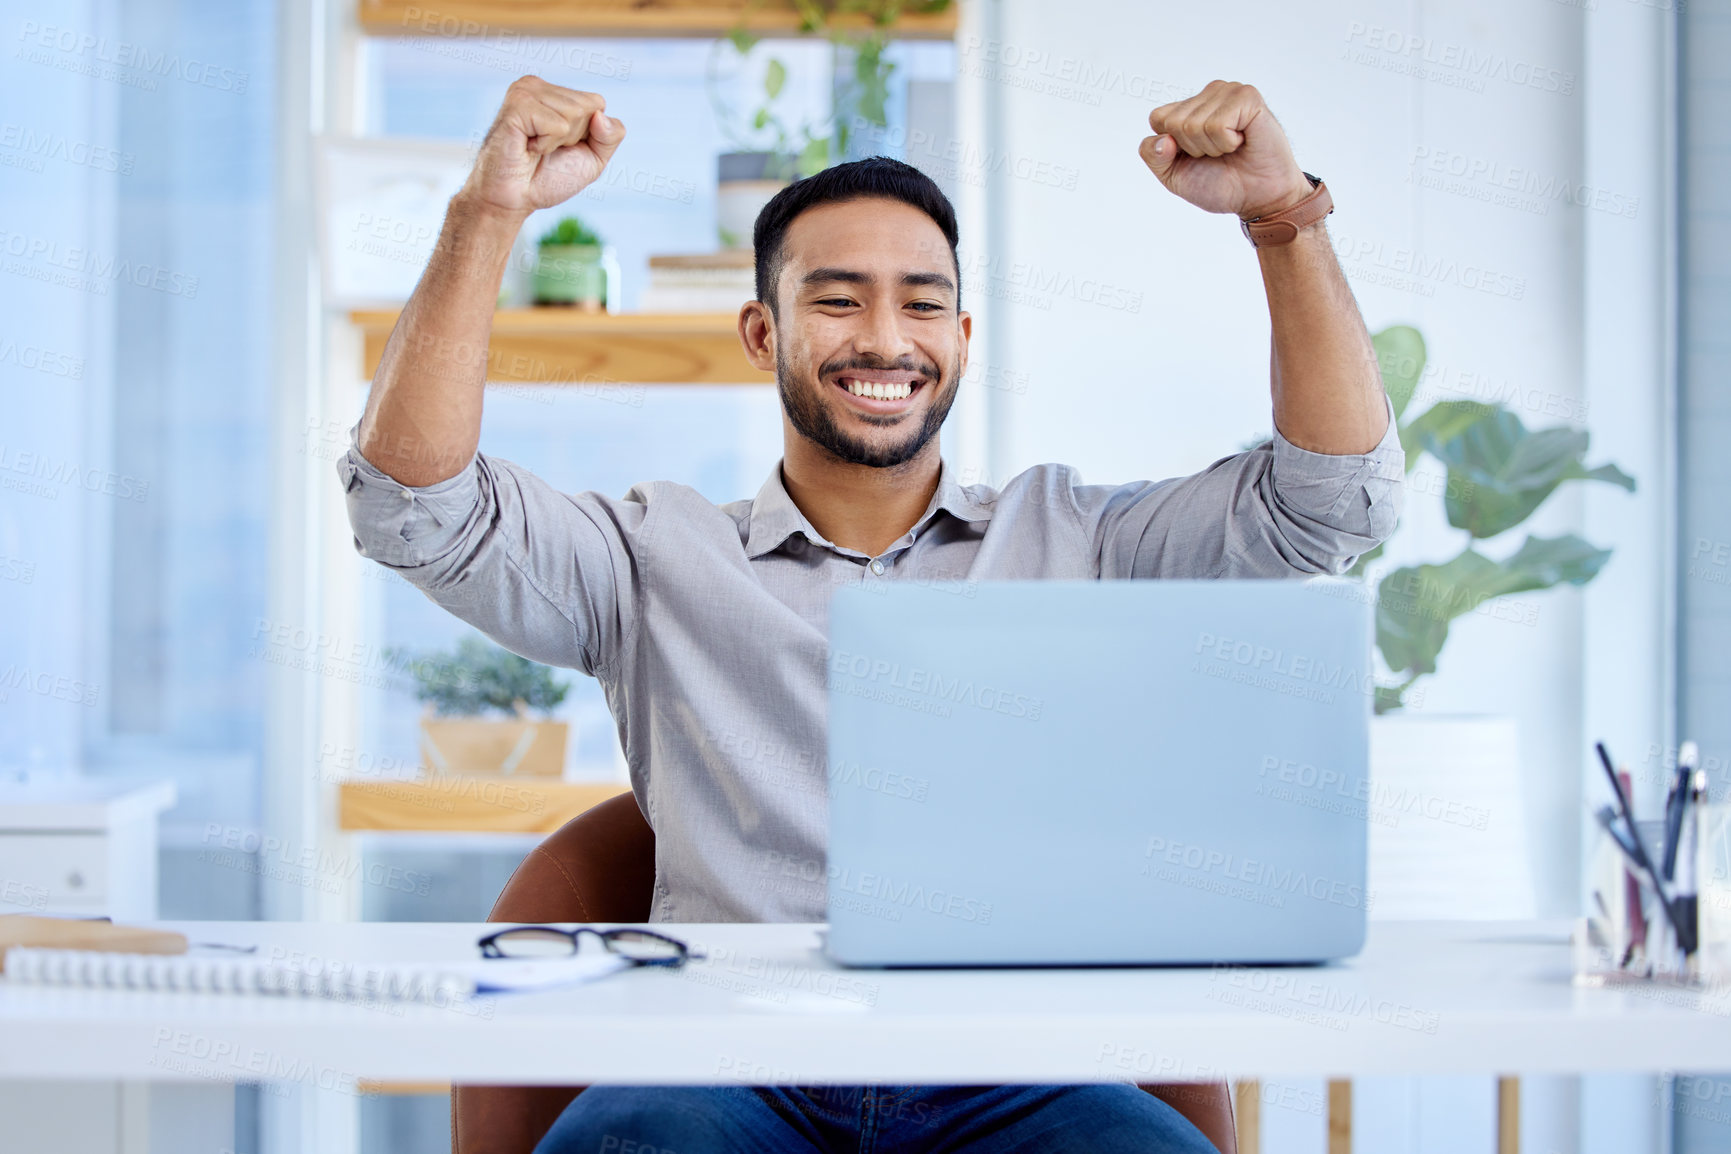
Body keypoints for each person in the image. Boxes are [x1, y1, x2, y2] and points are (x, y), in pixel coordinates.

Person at [341, 75, 1402, 1154]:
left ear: (962, 334)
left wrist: (1282, 218)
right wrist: (488, 216)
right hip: (721, 1071)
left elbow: (1331, 503)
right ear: (762, 332)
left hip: (1019, 1073)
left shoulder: (1082, 541)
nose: (886, 339)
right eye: (838, 299)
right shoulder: (652, 556)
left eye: (923, 301)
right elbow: (411, 507)